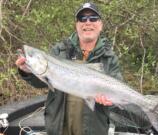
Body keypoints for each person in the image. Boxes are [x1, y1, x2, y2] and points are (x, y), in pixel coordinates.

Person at [15, 2, 123, 135]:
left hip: (94, 129)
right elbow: (40, 82)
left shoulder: (109, 57)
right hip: (60, 128)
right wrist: (27, 70)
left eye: (93, 18)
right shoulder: (60, 51)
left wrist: (109, 101)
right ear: (76, 25)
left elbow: (119, 96)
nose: (87, 22)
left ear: (100, 25)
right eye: (82, 19)